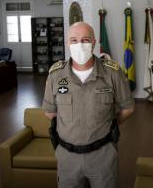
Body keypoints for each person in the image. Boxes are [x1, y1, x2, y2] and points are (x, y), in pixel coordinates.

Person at [42, 22, 135, 188]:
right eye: (74, 40)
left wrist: (107, 122)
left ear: (94, 42)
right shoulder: (56, 75)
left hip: (103, 155)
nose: (80, 44)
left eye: (85, 39)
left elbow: (128, 108)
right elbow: (50, 112)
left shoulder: (112, 72)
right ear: (68, 44)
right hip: (67, 157)